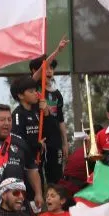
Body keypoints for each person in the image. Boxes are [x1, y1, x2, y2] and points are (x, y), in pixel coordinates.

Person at [28, 39, 70, 185]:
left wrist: (65, 143)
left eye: (52, 68)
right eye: (46, 68)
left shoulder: (57, 94)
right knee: (37, 175)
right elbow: (41, 68)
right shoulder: (33, 88)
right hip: (38, 137)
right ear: (35, 71)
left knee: (56, 177)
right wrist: (58, 50)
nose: (49, 71)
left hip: (55, 139)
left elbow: (60, 119)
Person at [10, 75, 44, 186]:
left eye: (35, 90)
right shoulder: (18, 114)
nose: (35, 93)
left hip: (39, 160)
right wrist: (37, 145)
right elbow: (18, 139)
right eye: (31, 91)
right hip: (25, 164)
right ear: (20, 95)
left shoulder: (36, 111)